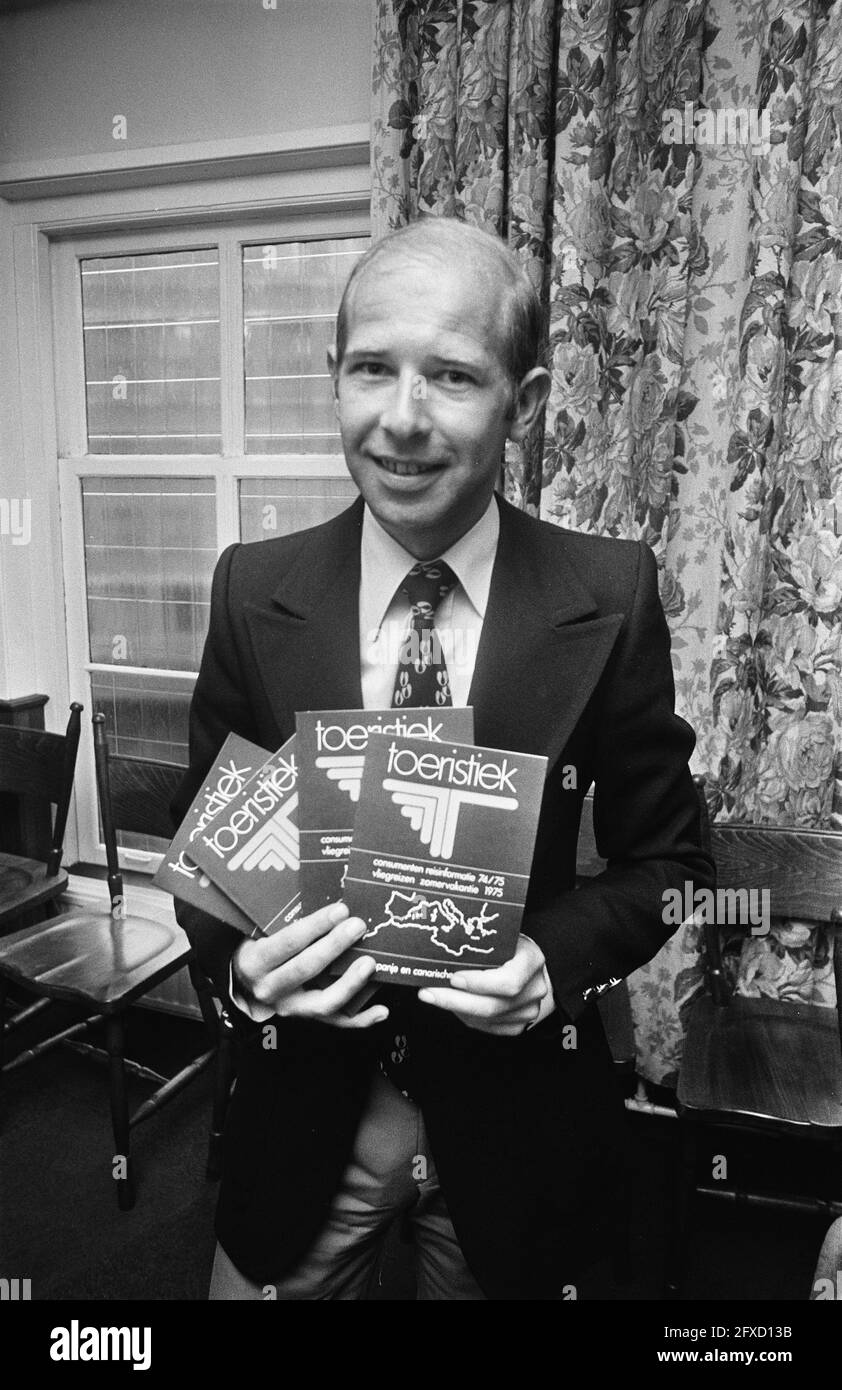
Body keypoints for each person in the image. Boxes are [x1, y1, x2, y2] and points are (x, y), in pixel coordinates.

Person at [172, 216, 714, 1301]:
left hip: (514, 1125)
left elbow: (672, 863)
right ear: (333, 377)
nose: (402, 420)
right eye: (372, 368)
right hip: (302, 1118)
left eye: (452, 376)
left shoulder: (608, 596)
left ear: (523, 400)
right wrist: (241, 977)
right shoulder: (249, 588)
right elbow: (210, 859)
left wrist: (552, 964)